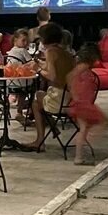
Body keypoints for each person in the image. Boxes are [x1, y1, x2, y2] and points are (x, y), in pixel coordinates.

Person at [22, 23, 76, 151]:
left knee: (35, 103)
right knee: (39, 95)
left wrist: (38, 69)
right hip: (71, 96)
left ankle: (40, 141)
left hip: (60, 97)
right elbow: (52, 67)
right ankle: (51, 128)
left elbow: (51, 76)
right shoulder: (65, 52)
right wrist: (38, 63)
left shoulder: (51, 52)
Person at [68, 43, 107, 165]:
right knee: (88, 127)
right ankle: (79, 153)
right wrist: (75, 95)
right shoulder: (83, 66)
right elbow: (70, 77)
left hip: (84, 102)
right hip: (81, 103)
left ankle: (80, 149)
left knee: (87, 127)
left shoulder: (86, 67)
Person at [7, 29, 37, 124]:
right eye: (23, 40)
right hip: (21, 81)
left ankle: (23, 110)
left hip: (10, 82)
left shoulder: (11, 51)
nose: (25, 43)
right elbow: (32, 63)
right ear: (15, 40)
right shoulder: (23, 50)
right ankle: (27, 110)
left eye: (27, 41)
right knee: (34, 86)